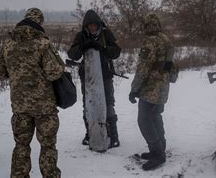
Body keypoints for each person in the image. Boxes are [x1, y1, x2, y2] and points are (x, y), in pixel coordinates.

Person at [0, 8, 64, 178]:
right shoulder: (43, 43)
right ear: (39, 22)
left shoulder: (8, 44)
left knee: (21, 144)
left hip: (20, 106)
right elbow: (54, 72)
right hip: (44, 106)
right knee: (47, 145)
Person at [67, 9, 121, 148]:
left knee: (108, 104)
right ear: (86, 26)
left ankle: (113, 135)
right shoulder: (81, 36)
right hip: (88, 78)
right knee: (88, 104)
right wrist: (84, 46)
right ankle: (90, 133)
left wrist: (102, 48)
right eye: (90, 25)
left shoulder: (106, 34)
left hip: (105, 76)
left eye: (94, 25)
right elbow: (72, 54)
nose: (92, 27)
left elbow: (116, 52)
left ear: (98, 24)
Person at [129, 13, 174, 171]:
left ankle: (158, 154)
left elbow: (143, 68)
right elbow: (171, 64)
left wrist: (134, 90)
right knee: (155, 116)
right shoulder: (165, 39)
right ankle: (160, 148)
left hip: (151, 88)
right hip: (163, 86)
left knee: (144, 120)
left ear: (146, 26)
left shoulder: (150, 42)